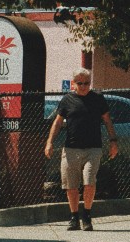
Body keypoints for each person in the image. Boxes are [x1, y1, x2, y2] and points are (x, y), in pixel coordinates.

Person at [44, 70, 118, 231]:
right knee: (71, 186)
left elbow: (107, 120)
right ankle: (74, 217)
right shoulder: (67, 100)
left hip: (93, 148)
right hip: (71, 148)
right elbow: (57, 123)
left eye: (87, 83)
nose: (84, 86)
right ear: (74, 83)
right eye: (80, 83)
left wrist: (113, 142)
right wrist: (49, 142)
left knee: (89, 182)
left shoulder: (98, 99)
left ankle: (87, 216)